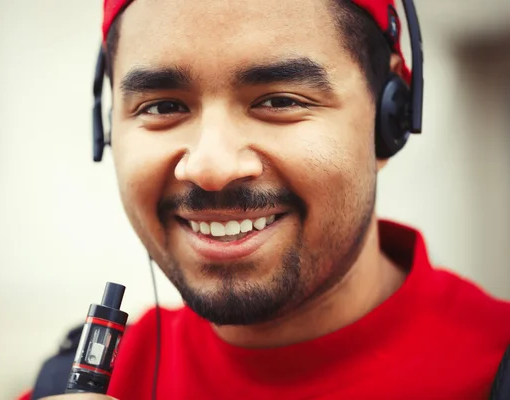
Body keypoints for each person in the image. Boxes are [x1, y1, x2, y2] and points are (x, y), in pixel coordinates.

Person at [31, 0, 510, 398]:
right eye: (162, 107)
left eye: (280, 101)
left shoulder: (493, 368)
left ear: (390, 121)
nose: (211, 167)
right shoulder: (82, 383)